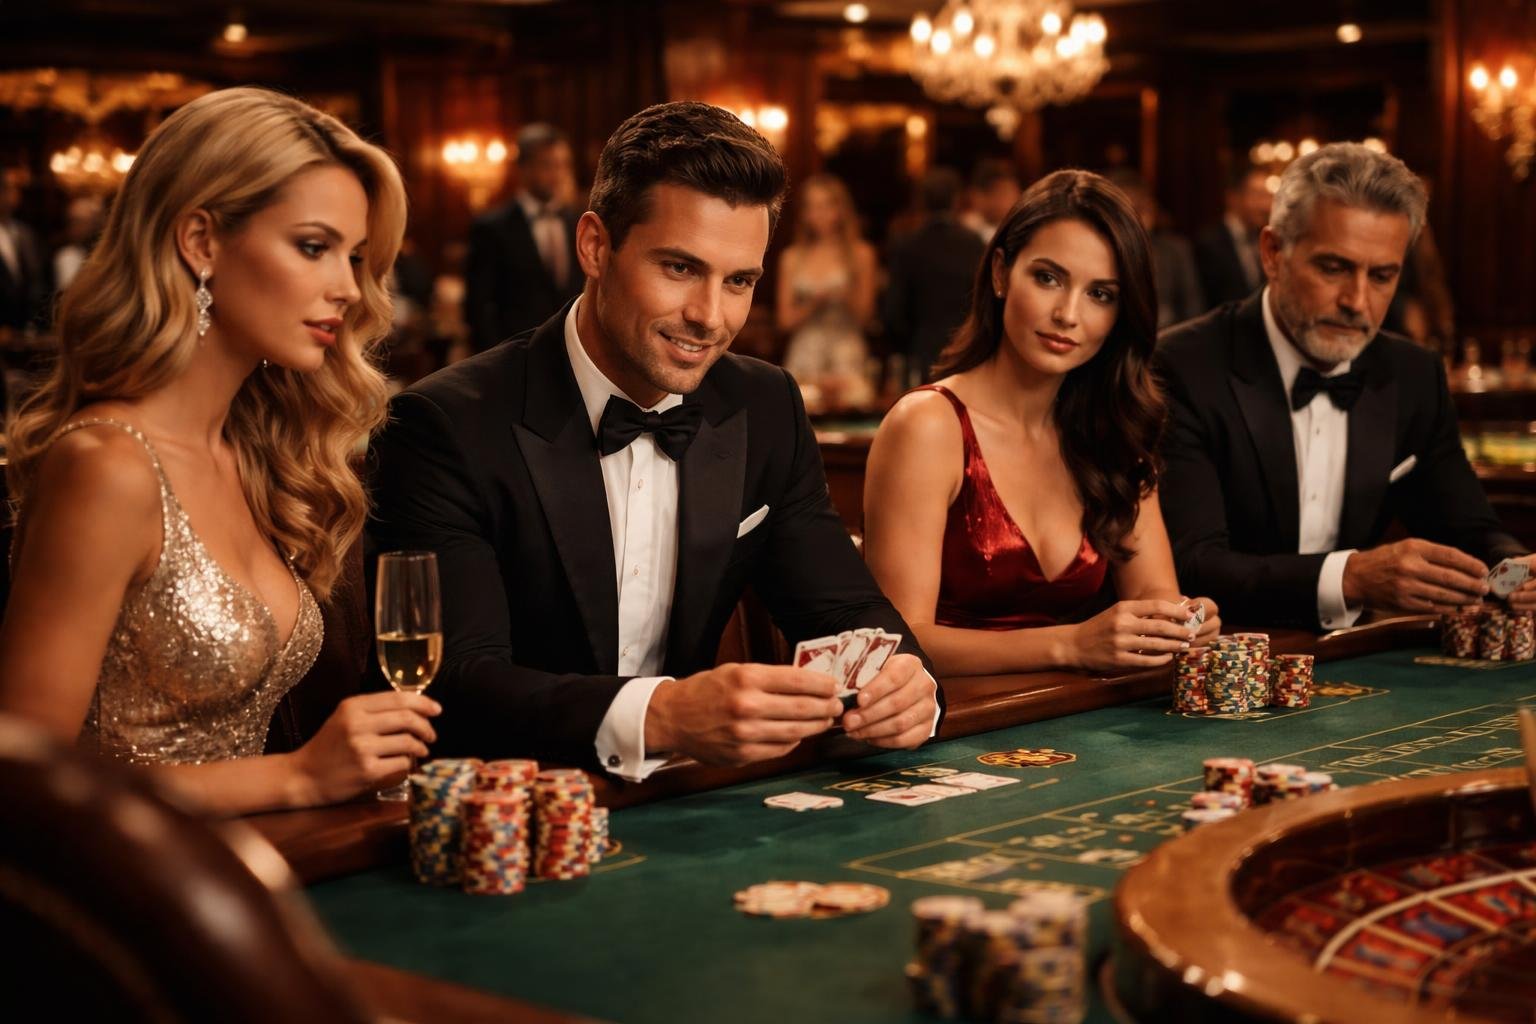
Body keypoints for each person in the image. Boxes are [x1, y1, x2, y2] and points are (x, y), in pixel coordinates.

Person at [370, 101, 941, 778]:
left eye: (739, 281)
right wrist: (660, 716)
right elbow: (454, 684)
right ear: (595, 247)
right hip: (511, 798)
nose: (709, 316)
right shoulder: (444, 425)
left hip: (684, 801)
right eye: (679, 268)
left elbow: (847, 609)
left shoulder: (764, 405)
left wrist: (905, 684)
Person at [0, 87, 439, 815]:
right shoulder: (107, 465)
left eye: (356, 256)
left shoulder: (257, 454)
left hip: (260, 861)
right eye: (314, 247)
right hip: (120, 880)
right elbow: (21, 780)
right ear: (201, 242)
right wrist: (296, 777)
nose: (348, 289)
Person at [1159, 142, 1534, 629]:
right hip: (1220, 650)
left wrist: (1514, 568)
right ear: (1273, 253)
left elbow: (1469, 530)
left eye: (1381, 276)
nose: (1357, 301)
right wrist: (1349, 578)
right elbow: (1192, 565)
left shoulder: (1414, 373)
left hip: (1354, 654)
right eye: (1334, 268)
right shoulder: (1183, 366)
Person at [863, 170, 1220, 678]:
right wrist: (1070, 645)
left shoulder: (1114, 431)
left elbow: (1152, 594)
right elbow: (898, 640)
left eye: (1101, 294)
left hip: (1074, 713)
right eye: (1048, 278)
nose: (1068, 314)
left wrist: (1181, 621)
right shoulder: (927, 426)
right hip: (949, 714)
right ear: (1001, 273)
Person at [464, 123, 581, 352]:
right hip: (514, 353)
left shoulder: (578, 222)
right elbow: (477, 307)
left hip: (570, 352)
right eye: (547, 165)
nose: (557, 174)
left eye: (563, 165)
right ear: (524, 168)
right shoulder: (491, 227)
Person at [777, 173, 877, 407]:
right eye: (811, 207)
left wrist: (844, 295)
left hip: (846, 351)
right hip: (806, 353)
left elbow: (865, 317)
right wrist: (814, 303)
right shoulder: (792, 257)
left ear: (840, 209)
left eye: (825, 206)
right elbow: (784, 321)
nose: (818, 214)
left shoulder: (861, 254)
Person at [883, 167, 987, 388]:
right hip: (965, 350)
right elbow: (982, 301)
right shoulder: (973, 243)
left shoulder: (907, 245)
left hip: (920, 353)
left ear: (921, 201)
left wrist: (905, 346)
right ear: (957, 199)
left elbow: (893, 312)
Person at [1108, 170, 1204, 329]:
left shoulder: (1175, 250)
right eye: (1126, 213)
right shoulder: (1099, 251)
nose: (1136, 220)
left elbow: (1193, 311)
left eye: (1141, 209)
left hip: (1168, 336)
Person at [1194, 166, 1271, 310]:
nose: (1265, 205)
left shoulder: (1266, 240)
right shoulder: (1209, 243)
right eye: (1258, 195)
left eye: (1268, 196)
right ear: (1233, 197)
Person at [0, 167, 46, 334]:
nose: (14, 195)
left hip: (24, 330)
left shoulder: (24, 233)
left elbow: (35, 280)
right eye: (8, 189)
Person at [962, 158, 1022, 244]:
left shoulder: (1015, 229)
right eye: (1004, 194)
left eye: (1016, 194)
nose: (1014, 200)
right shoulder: (968, 230)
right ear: (978, 197)